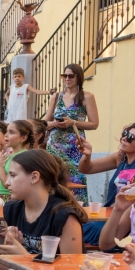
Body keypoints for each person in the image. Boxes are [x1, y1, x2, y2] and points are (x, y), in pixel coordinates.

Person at [79, 120, 135, 245]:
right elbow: (87, 169)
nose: (124, 138)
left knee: (76, 229)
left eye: (130, 137)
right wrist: (87, 155)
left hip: (122, 220)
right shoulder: (120, 158)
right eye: (125, 133)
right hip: (110, 214)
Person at [45, 63, 100, 202]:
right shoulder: (56, 97)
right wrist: (54, 123)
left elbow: (94, 124)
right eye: (64, 76)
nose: (67, 79)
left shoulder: (86, 97)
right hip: (55, 145)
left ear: (78, 77)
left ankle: (77, 211)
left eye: (70, 76)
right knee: (53, 178)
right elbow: (44, 123)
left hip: (75, 146)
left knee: (76, 180)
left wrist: (73, 122)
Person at [0, 119, 36, 198]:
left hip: (7, 197)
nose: (6, 135)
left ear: (23, 138)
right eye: (7, 131)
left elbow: (7, 182)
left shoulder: (21, 157)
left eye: (11, 132)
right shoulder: (10, 154)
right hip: (0, 196)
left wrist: (0, 166)